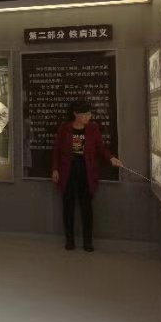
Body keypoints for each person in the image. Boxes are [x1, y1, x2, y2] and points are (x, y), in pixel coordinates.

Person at [52, 101, 123, 252]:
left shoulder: (93, 128)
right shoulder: (64, 129)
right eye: (85, 114)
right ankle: (69, 240)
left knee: (86, 207)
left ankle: (88, 241)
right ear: (76, 114)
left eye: (89, 114)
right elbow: (57, 150)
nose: (88, 117)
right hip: (68, 171)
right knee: (68, 206)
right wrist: (55, 169)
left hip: (86, 171)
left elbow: (100, 148)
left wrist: (111, 158)